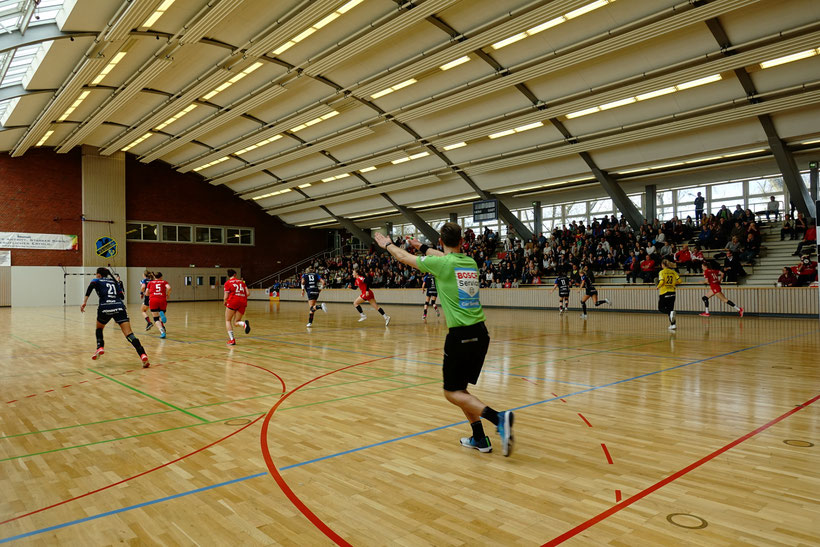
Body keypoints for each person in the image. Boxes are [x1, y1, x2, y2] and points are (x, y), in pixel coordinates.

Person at [373, 224, 515, 456]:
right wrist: (424, 247)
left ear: (441, 241)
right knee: (462, 391)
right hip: (481, 333)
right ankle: (479, 438)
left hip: (461, 336)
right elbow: (444, 255)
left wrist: (387, 245)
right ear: (462, 240)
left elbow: (403, 256)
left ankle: (498, 418)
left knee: (451, 392)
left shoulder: (442, 265)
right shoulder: (469, 262)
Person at [80, 267, 149, 367]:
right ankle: (143, 355)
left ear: (99, 274)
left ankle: (100, 347)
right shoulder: (114, 281)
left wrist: (84, 302)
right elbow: (122, 296)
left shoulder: (96, 280)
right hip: (119, 307)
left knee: (99, 328)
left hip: (105, 307)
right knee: (129, 334)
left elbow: (89, 289)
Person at [224, 269, 250, 345]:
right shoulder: (242, 282)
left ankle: (232, 340)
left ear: (228, 275)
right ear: (235, 274)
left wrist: (225, 302)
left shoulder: (227, 283)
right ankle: (244, 324)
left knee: (228, 320)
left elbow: (225, 297)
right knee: (236, 322)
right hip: (242, 302)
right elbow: (248, 293)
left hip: (233, 301)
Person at [657, 259, 682, 331]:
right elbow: (680, 281)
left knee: (661, 308)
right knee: (671, 309)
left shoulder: (661, 272)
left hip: (664, 292)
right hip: (672, 292)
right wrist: (673, 283)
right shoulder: (673, 272)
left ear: (663, 265)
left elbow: (661, 281)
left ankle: (670, 314)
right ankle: (673, 325)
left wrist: (657, 287)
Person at [146, 272, 171, 339]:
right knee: (161, 314)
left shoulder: (150, 283)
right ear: (161, 277)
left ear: (154, 277)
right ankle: (161, 313)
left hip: (153, 300)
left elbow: (146, 293)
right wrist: (168, 294)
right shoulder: (164, 282)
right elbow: (169, 288)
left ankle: (162, 332)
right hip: (162, 299)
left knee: (156, 318)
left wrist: (148, 294)